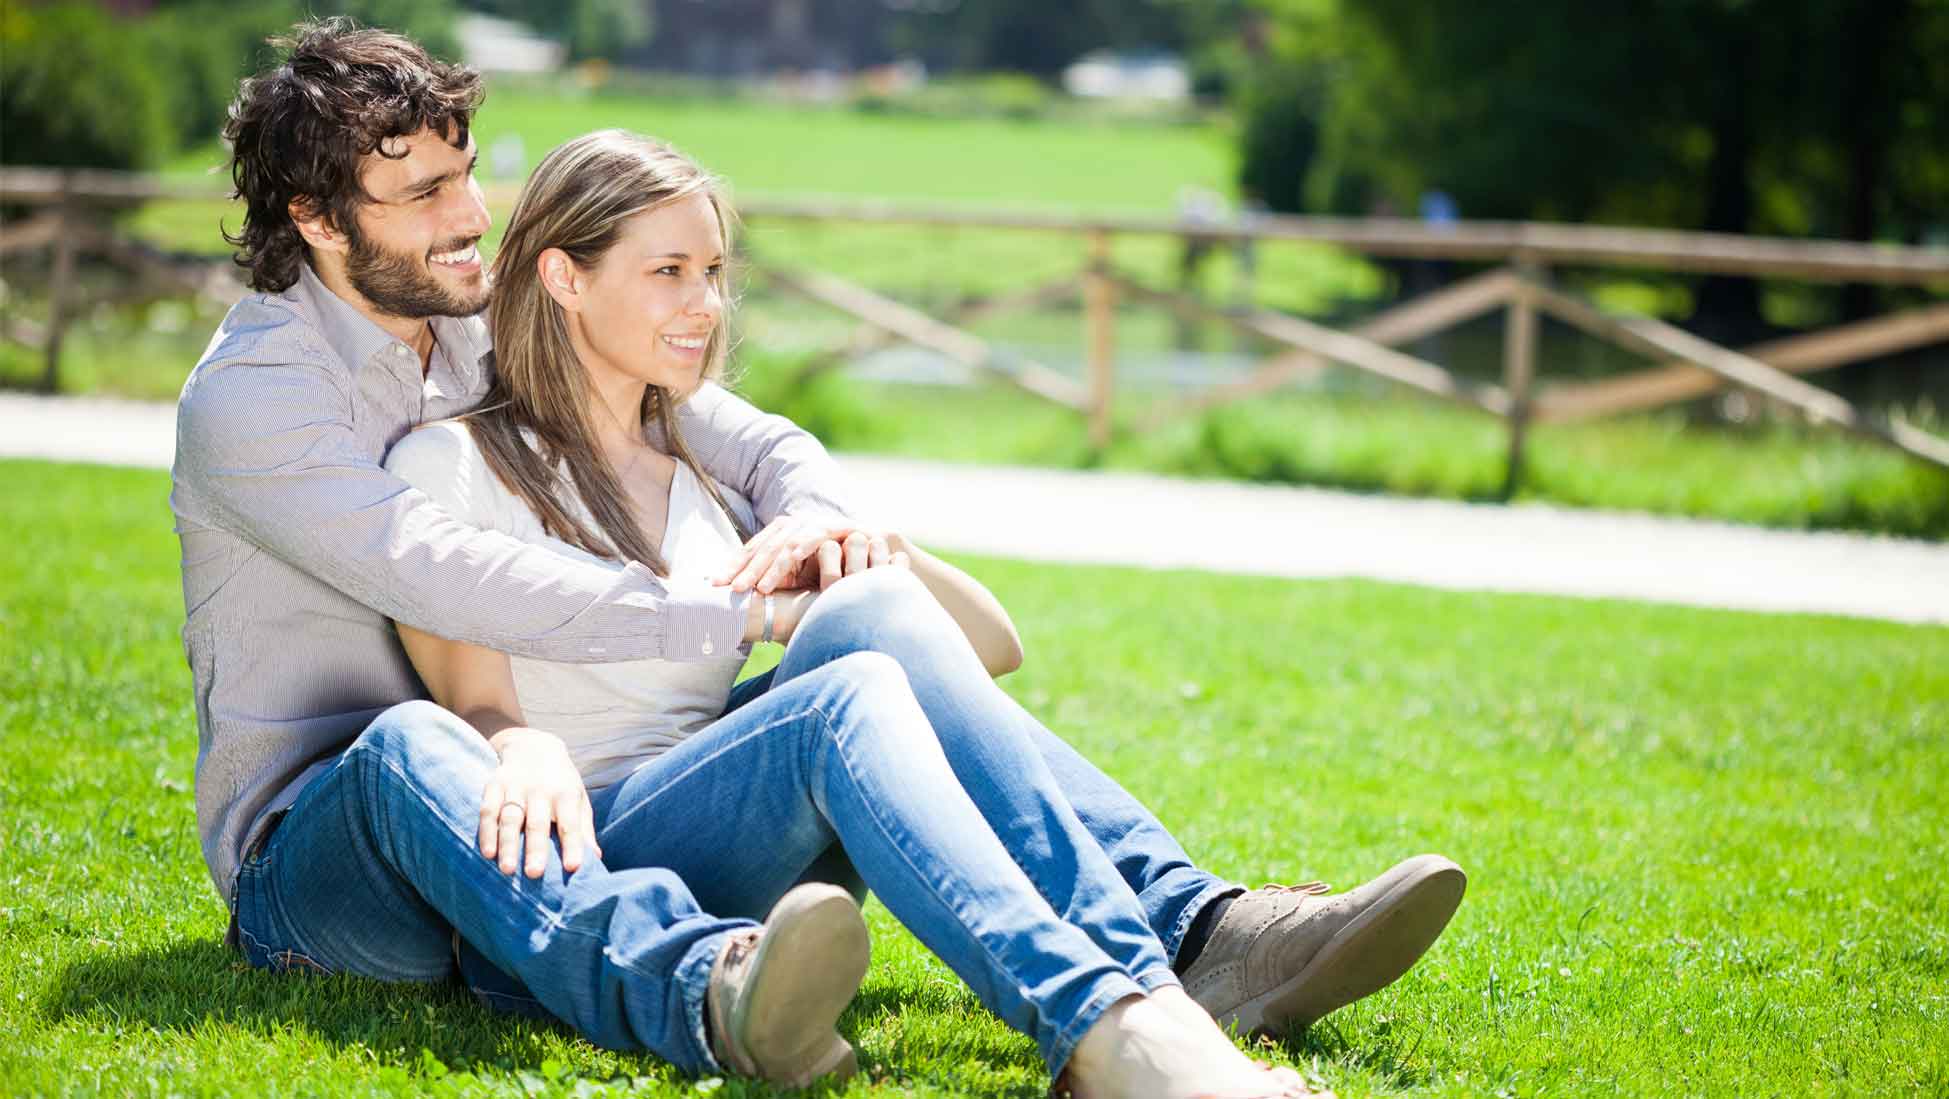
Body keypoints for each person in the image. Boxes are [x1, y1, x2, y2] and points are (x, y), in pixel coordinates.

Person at [174, 18, 1462, 1094]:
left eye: (466, 177)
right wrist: (720, 621)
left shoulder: (463, 324)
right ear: (318, 221)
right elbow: (446, 576)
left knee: (863, 644)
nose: (473, 221)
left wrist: (828, 528)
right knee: (414, 748)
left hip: (546, 800)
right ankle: (717, 990)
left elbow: (735, 429)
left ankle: (1190, 940)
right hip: (332, 833)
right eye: (424, 196)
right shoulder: (258, 402)